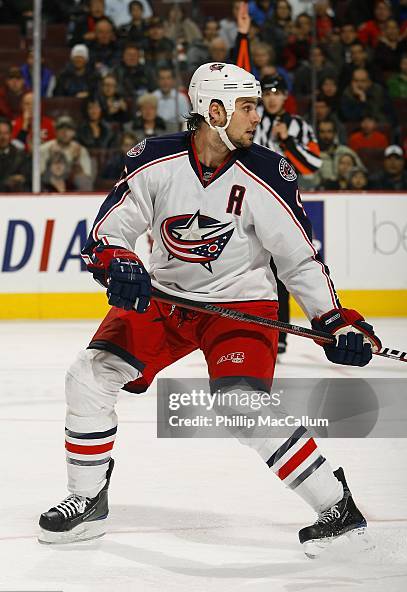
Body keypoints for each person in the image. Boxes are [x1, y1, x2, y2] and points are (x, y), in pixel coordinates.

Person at [38, 63, 382, 557]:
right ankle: (86, 499)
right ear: (212, 110)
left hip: (240, 306)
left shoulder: (268, 172)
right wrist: (122, 263)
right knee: (88, 376)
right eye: (246, 107)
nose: (256, 117)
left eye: (257, 107)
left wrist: (335, 321)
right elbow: (107, 234)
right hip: (167, 299)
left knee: (241, 406)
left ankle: (337, 507)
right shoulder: (154, 159)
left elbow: (299, 259)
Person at [253, 74, 322, 354]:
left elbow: (313, 165)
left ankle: (280, 333)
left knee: (282, 269)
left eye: (276, 92)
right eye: (266, 92)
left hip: (284, 206)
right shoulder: (251, 120)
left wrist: (289, 143)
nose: (271, 97)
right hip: (250, 203)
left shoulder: (300, 127)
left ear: (285, 96)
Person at [40, 115, 93, 191]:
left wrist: (76, 161)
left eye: (69, 129)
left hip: (72, 190)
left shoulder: (80, 150)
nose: (65, 132)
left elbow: (86, 177)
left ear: (74, 132)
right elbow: (39, 174)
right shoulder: (44, 148)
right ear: (55, 131)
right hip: (48, 188)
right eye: (61, 129)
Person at [152, 67, 191, 132]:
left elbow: (185, 121)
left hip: (175, 132)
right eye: (162, 78)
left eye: (168, 78)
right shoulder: (153, 97)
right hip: (157, 131)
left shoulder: (181, 98)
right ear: (157, 81)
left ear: (173, 80)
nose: (165, 82)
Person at [0, 116, 31, 192]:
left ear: (11, 134)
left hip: (13, 199)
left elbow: (26, 180)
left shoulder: (21, 156)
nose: (2, 137)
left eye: (6, 133)